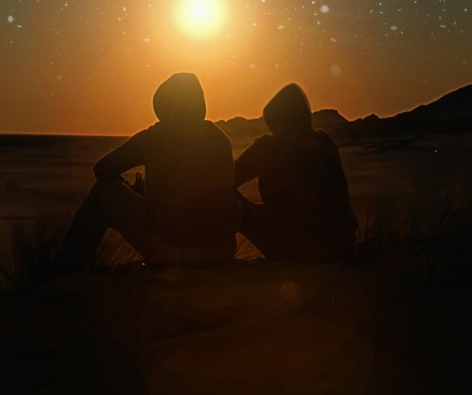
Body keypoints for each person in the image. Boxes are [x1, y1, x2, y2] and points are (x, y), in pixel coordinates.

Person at [54, 72, 239, 270]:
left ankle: (69, 267)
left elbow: (102, 168)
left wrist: (128, 188)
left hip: (173, 250)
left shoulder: (157, 135)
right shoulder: (219, 138)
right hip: (221, 250)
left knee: (103, 190)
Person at [234, 83, 357, 262]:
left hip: (302, 248)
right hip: (341, 245)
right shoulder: (323, 141)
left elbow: (224, 179)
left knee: (226, 200)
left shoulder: (269, 148)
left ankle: (206, 259)